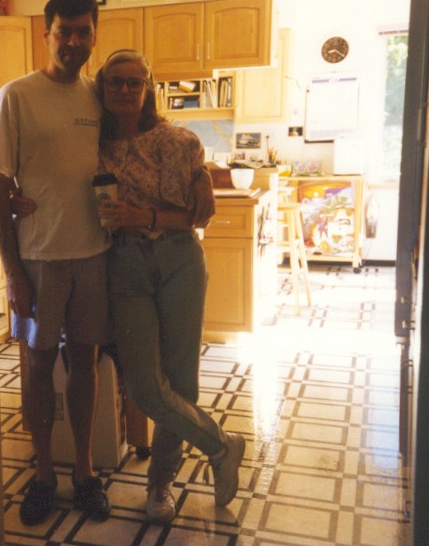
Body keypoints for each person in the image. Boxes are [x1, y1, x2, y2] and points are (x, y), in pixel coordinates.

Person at [94, 49, 246, 524]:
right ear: (102, 88)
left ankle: (160, 485)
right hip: (125, 265)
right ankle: (222, 446)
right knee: (144, 387)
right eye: (115, 82)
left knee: (181, 382)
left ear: (148, 89)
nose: (124, 90)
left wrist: (144, 213)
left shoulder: (177, 142)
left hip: (178, 259)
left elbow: (195, 217)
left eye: (134, 82)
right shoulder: (90, 144)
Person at [0, 0, 112, 525]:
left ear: (94, 35)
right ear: (47, 34)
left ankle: (84, 472)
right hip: (37, 258)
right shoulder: (16, 96)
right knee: (36, 365)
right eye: (65, 32)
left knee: (84, 362)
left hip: (94, 254)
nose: (74, 42)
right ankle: (42, 475)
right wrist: (12, 272)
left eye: (84, 32)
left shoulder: (99, 96)